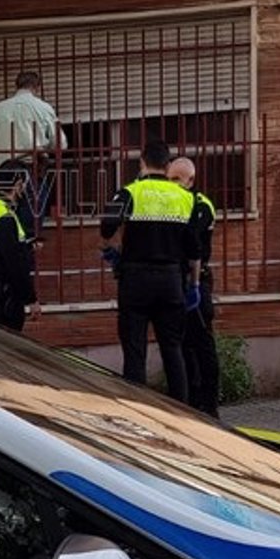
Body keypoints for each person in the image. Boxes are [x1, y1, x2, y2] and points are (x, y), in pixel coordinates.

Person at [100, 139, 207, 403]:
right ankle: (181, 410)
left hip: (135, 281)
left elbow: (105, 229)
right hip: (171, 281)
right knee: (173, 349)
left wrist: (114, 252)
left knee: (135, 351)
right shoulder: (187, 198)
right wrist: (193, 286)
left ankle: (138, 409)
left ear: (142, 162)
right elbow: (195, 251)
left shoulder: (127, 193)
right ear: (168, 164)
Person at [168, 156, 220, 418]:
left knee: (203, 344)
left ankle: (210, 405)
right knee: (181, 345)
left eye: (179, 179)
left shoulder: (201, 205)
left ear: (191, 179)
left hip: (197, 280)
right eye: (171, 179)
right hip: (173, 279)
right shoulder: (171, 202)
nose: (175, 184)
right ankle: (191, 400)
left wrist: (195, 284)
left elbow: (192, 243)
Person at [0, 71, 60, 236]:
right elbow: (59, 144)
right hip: (30, 169)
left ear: (17, 86)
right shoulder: (43, 108)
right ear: (37, 88)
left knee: (4, 219)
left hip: (3, 172)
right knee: (30, 225)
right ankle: (26, 252)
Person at [0, 160, 40, 332]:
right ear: (18, 184)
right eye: (25, 184)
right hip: (5, 296)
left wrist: (26, 247)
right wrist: (31, 299)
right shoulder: (5, 217)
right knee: (9, 347)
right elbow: (15, 263)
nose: (25, 189)